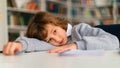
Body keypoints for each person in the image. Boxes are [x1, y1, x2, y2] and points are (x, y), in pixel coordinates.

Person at [3, 12, 119, 55]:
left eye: (54, 31)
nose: (56, 40)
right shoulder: (56, 45)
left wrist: (77, 45)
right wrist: (20, 45)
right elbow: (36, 43)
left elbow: (114, 41)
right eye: (49, 40)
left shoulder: (79, 30)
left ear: (59, 24)